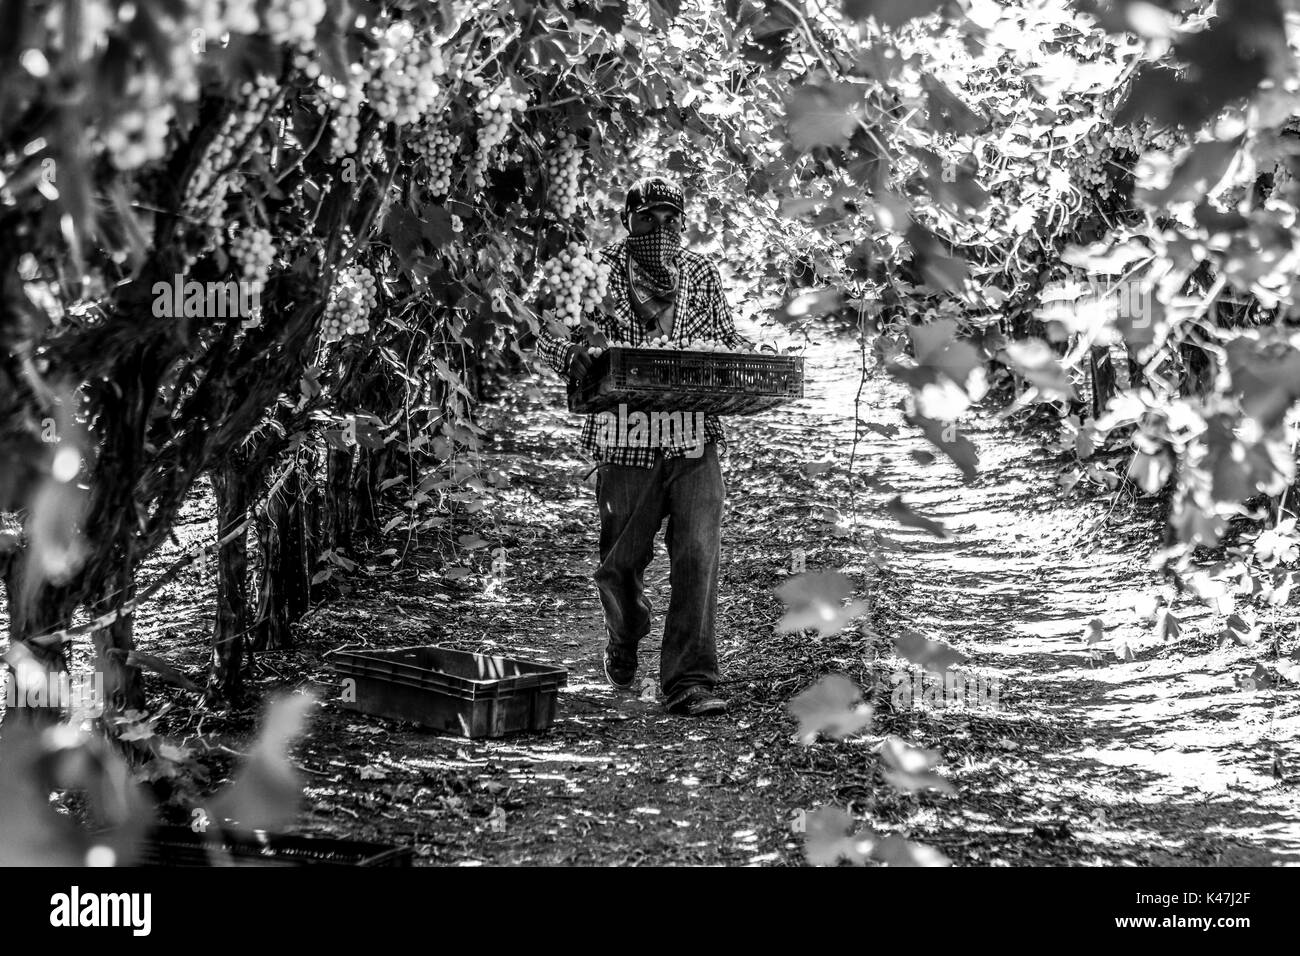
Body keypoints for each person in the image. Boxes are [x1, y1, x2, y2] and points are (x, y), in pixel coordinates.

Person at [535, 174, 754, 717]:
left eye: (670, 219)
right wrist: (574, 356)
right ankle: (625, 635)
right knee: (619, 564)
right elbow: (550, 333)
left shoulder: (700, 272)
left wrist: (753, 359)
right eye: (648, 218)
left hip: (693, 436)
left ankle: (689, 679)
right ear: (628, 221)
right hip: (623, 437)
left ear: (682, 223)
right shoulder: (598, 271)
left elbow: (724, 341)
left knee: (698, 554)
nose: (660, 229)